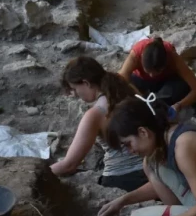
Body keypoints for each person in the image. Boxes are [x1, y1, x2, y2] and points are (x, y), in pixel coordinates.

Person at [51, 56, 148, 192]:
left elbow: (69, 164)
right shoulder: (127, 87)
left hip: (123, 177)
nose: (75, 94)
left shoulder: (95, 114)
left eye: (75, 88)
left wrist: (40, 170)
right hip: (150, 168)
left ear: (86, 83)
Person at [119, 36, 196, 116]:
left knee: (182, 86)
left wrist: (179, 105)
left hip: (165, 82)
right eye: (148, 71)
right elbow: (120, 80)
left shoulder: (172, 57)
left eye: (157, 72)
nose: (151, 76)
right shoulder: (136, 54)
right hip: (141, 82)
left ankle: (156, 103)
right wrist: (140, 97)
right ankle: (153, 103)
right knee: (123, 93)